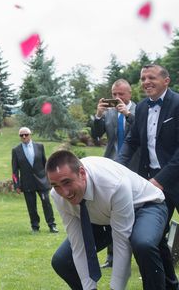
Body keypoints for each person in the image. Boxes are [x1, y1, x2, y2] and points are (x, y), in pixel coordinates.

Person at [48, 150, 169, 290]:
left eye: (67, 182)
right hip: (105, 217)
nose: (65, 192)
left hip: (146, 205)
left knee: (143, 243)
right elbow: (78, 245)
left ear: (81, 173)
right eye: (56, 186)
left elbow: (122, 244)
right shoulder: (57, 196)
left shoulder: (114, 185)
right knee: (62, 261)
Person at [116, 63, 179, 288]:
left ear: (166, 80)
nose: (146, 82)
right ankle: (171, 284)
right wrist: (114, 168)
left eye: (151, 77)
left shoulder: (178, 104)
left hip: (173, 179)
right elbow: (132, 142)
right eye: (143, 79)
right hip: (150, 185)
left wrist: (161, 179)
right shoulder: (141, 108)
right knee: (153, 239)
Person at [90, 78, 137, 267]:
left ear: (130, 94)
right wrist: (99, 116)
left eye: (121, 94)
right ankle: (111, 257)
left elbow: (142, 134)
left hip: (134, 167)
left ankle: (136, 253)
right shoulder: (108, 114)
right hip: (111, 166)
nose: (117, 98)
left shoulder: (139, 111)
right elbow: (96, 136)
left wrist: (127, 115)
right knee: (111, 211)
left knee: (134, 210)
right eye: (114, 95)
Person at [11, 127, 57, 234]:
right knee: (31, 206)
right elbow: (14, 171)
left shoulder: (39, 147)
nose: (24, 137)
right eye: (21, 135)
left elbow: (45, 164)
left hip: (42, 181)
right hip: (27, 183)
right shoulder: (16, 150)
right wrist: (16, 185)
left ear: (30, 134)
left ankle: (52, 225)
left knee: (46, 203)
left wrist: (50, 178)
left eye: (26, 134)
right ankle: (35, 227)